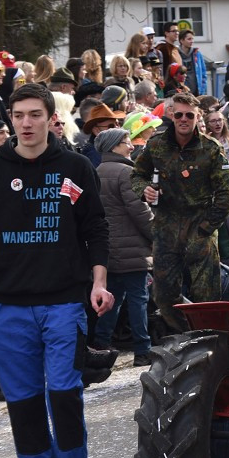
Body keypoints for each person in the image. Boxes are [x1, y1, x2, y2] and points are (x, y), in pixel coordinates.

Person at [0, 82, 113, 458]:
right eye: (18, 115)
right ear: (11, 118)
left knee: (64, 398)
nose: (25, 123)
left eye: (34, 115)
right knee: (23, 405)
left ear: (50, 118)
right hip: (7, 308)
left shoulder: (75, 166)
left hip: (64, 303)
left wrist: (99, 283)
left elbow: (96, 229)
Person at [130, 93, 229, 334]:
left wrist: (207, 228)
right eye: (179, 114)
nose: (184, 119)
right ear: (171, 115)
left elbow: (226, 193)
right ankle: (188, 335)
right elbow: (137, 174)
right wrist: (144, 190)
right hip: (166, 227)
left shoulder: (211, 148)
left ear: (198, 117)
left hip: (200, 227)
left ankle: (211, 340)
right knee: (163, 295)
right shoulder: (156, 145)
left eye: (189, 115)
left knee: (207, 297)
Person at [92, 128, 154, 367]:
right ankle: (143, 349)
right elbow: (140, 211)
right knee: (138, 298)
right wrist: (156, 234)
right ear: (115, 145)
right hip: (132, 248)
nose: (131, 146)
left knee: (113, 298)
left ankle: (100, 344)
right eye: (127, 142)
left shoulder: (96, 172)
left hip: (108, 249)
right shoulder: (127, 172)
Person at [178, 30, 210, 96]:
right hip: (182, 92)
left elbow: (204, 73)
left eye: (192, 39)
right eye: (189, 39)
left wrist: (202, 90)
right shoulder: (176, 54)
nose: (192, 41)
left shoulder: (197, 54)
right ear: (181, 40)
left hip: (197, 93)